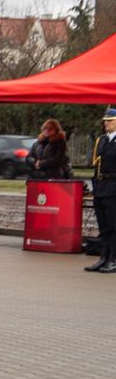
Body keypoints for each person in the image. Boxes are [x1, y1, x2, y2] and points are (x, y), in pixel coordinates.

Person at [87, 108, 116, 273]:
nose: (106, 123)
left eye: (110, 120)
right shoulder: (102, 140)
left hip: (114, 187)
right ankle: (103, 257)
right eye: (105, 120)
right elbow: (97, 165)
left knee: (114, 226)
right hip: (101, 187)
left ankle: (113, 258)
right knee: (103, 226)